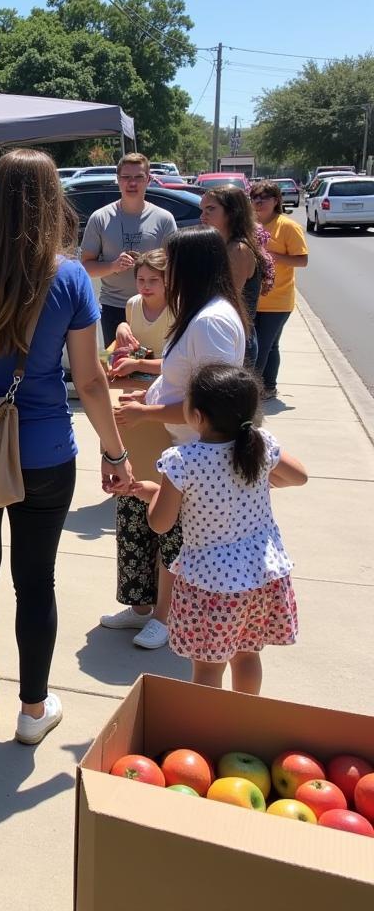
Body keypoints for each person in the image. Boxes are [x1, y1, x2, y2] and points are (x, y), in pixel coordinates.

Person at [0, 149, 132, 745]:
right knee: (36, 580)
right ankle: (33, 710)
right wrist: (115, 454)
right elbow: (89, 380)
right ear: (51, 201)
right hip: (44, 449)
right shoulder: (68, 277)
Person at [130, 363, 307, 693]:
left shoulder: (183, 460)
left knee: (209, 667)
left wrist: (152, 496)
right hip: (260, 575)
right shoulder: (260, 444)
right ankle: (244, 722)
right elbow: (300, 476)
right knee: (247, 656)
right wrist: (263, 478)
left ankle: (207, 735)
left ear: (197, 416)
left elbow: (160, 522)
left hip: (212, 583)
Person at [114, 226, 247, 650]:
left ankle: (166, 617)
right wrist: (150, 394)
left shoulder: (210, 322)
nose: (161, 278)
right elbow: (183, 377)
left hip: (199, 453)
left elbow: (211, 404)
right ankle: (144, 606)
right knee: (148, 521)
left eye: (169, 268)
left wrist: (146, 411)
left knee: (173, 534)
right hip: (180, 444)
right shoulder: (200, 313)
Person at [99, 250, 182, 638]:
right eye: (141, 280)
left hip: (165, 420)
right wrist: (119, 337)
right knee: (131, 509)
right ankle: (139, 605)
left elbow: (179, 364)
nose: (146, 288)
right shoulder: (132, 306)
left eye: (154, 281)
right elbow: (124, 349)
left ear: (169, 282)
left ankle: (165, 616)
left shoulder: (182, 309)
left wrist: (139, 365)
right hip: (131, 416)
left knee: (166, 518)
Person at [80, 152, 178, 347]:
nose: (132, 183)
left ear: (148, 180)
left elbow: (175, 266)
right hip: (115, 306)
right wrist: (113, 266)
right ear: (118, 180)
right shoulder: (100, 218)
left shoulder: (164, 219)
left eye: (138, 177)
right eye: (126, 177)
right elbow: (86, 267)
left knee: (155, 366)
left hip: (155, 307)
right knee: (117, 367)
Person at [199, 186, 272, 368]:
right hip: (225, 333)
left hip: (235, 338)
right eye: (202, 210)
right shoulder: (221, 245)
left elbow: (226, 300)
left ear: (232, 212)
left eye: (211, 209)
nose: (203, 216)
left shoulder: (238, 250)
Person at [251, 180, 309, 400]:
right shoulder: (249, 225)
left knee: (261, 347)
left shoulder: (287, 226)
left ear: (276, 201)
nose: (258, 202)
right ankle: (269, 387)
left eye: (264, 198)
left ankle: (253, 393)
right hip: (252, 299)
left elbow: (302, 260)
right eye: (254, 197)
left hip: (277, 301)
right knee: (271, 346)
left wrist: (271, 257)